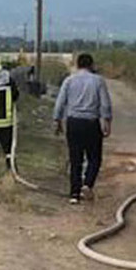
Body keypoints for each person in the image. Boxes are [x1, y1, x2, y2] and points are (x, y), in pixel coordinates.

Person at [53, 53, 113, 204]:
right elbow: (105, 103)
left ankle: (74, 194)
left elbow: (60, 102)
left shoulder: (69, 80)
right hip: (91, 123)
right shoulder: (98, 81)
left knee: (75, 159)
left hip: (73, 123)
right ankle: (87, 184)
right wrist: (107, 122)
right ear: (91, 65)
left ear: (78, 65)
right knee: (94, 158)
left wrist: (57, 120)